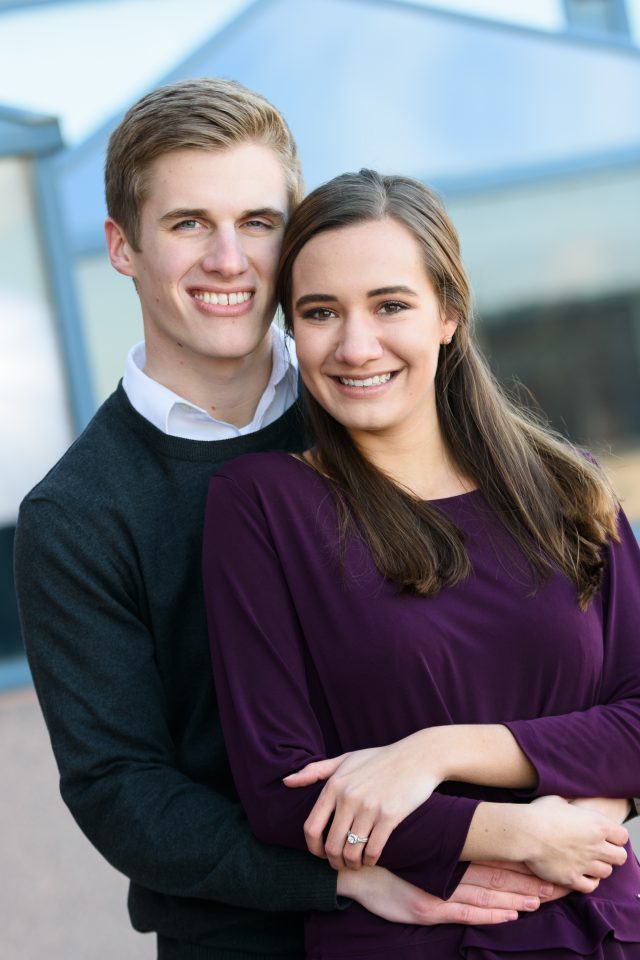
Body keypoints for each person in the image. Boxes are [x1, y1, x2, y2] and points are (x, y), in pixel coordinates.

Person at [12, 81, 556, 960]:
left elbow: (562, 656)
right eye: (189, 223)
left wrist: (585, 806)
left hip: (490, 911)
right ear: (122, 246)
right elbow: (121, 789)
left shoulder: (379, 398)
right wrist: (343, 876)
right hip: (250, 938)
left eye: (259, 222)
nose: (230, 259)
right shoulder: (78, 516)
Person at [203, 169, 640, 958]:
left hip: (603, 924)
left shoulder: (569, 486)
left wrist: (433, 753)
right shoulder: (263, 506)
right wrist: (516, 832)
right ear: (292, 332)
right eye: (320, 313)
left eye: (390, 304)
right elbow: (279, 788)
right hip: (422, 939)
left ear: (448, 312)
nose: (355, 345)